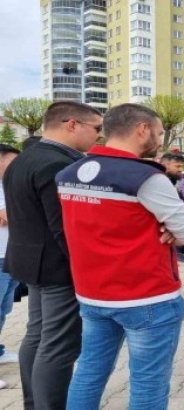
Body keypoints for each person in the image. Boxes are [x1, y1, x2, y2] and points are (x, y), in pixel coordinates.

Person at [56, 103, 184, 409]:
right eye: (160, 133)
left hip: (93, 296)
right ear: (142, 130)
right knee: (148, 382)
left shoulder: (68, 173)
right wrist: (168, 230)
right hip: (146, 297)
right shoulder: (144, 177)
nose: (160, 141)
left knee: (89, 373)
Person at [3, 102, 102, 409]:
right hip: (58, 266)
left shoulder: (23, 159)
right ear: (71, 124)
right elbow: (65, 227)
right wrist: (88, 268)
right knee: (58, 344)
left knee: (38, 335)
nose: (99, 136)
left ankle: (34, 403)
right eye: (96, 129)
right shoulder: (59, 164)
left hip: (30, 260)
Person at [0, 144, 20, 390]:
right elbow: (6, 216)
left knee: (3, 309)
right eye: (11, 162)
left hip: (10, 255)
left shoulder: (8, 185)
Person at [160, 153, 184, 263]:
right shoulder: (156, 182)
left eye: (182, 166)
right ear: (165, 165)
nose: (181, 169)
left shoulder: (174, 180)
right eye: (177, 166)